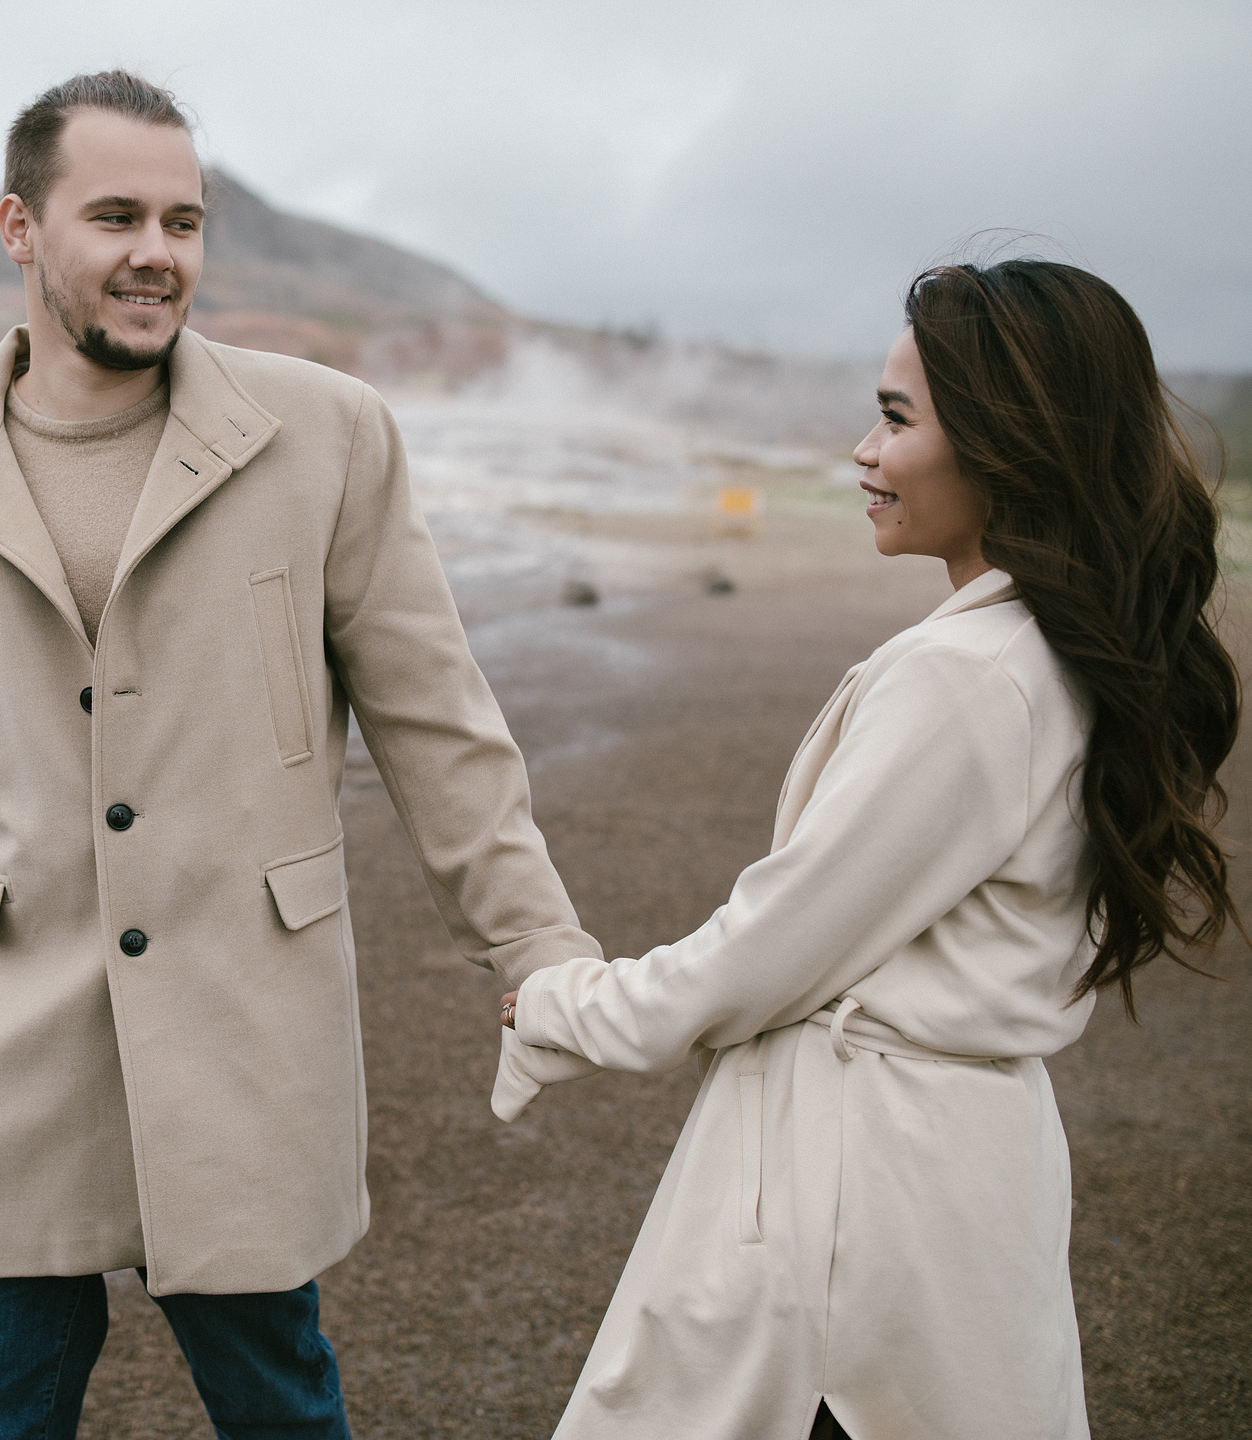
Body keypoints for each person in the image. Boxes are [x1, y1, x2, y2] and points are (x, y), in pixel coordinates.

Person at [0, 70, 598, 1438]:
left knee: (281, 1410)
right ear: (19, 227)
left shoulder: (327, 435)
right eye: (115, 215)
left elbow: (438, 723)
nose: (156, 255)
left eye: (183, 222)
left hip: (245, 1023)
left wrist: (532, 944)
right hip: (9, 1035)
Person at [494, 259, 1241, 1440]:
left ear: (1008, 445)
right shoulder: (1060, 657)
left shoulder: (968, 678)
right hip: (959, 1183)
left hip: (865, 1203)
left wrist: (564, 1005)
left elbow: (771, 949)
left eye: (896, 419)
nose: (863, 451)